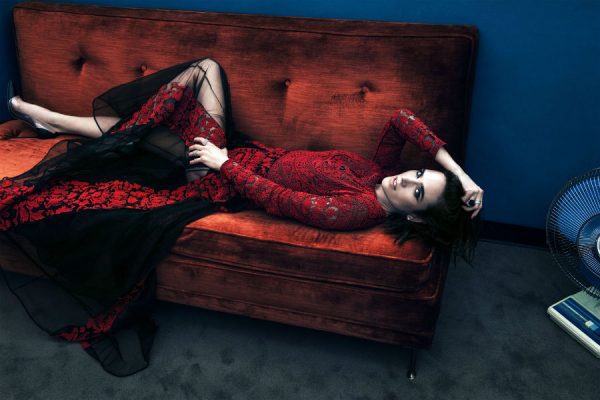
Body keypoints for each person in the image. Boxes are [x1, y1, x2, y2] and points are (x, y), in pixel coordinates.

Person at [1, 58, 483, 376]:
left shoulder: (358, 209)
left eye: (417, 191)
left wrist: (221, 164)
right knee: (150, 131)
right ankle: (52, 120)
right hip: (236, 154)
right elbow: (401, 118)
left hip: (220, 178)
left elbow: (280, 200)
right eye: (418, 172)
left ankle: (54, 120)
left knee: (203, 72)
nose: (406, 179)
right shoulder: (378, 171)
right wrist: (460, 174)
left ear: (415, 218)